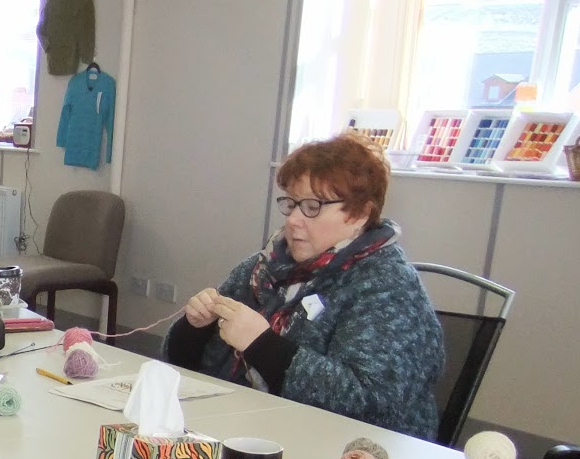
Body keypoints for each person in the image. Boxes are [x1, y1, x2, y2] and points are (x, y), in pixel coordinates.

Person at [160, 133, 444, 439]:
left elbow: (371, 403)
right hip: (246, 429)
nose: (293, 220)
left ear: (360, 214)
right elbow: (180, 365)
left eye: (312, 206)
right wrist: (196, 328)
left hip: (351, 452)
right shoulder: (265, 267)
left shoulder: (388, 286)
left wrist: (262, 345)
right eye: (291, 204)